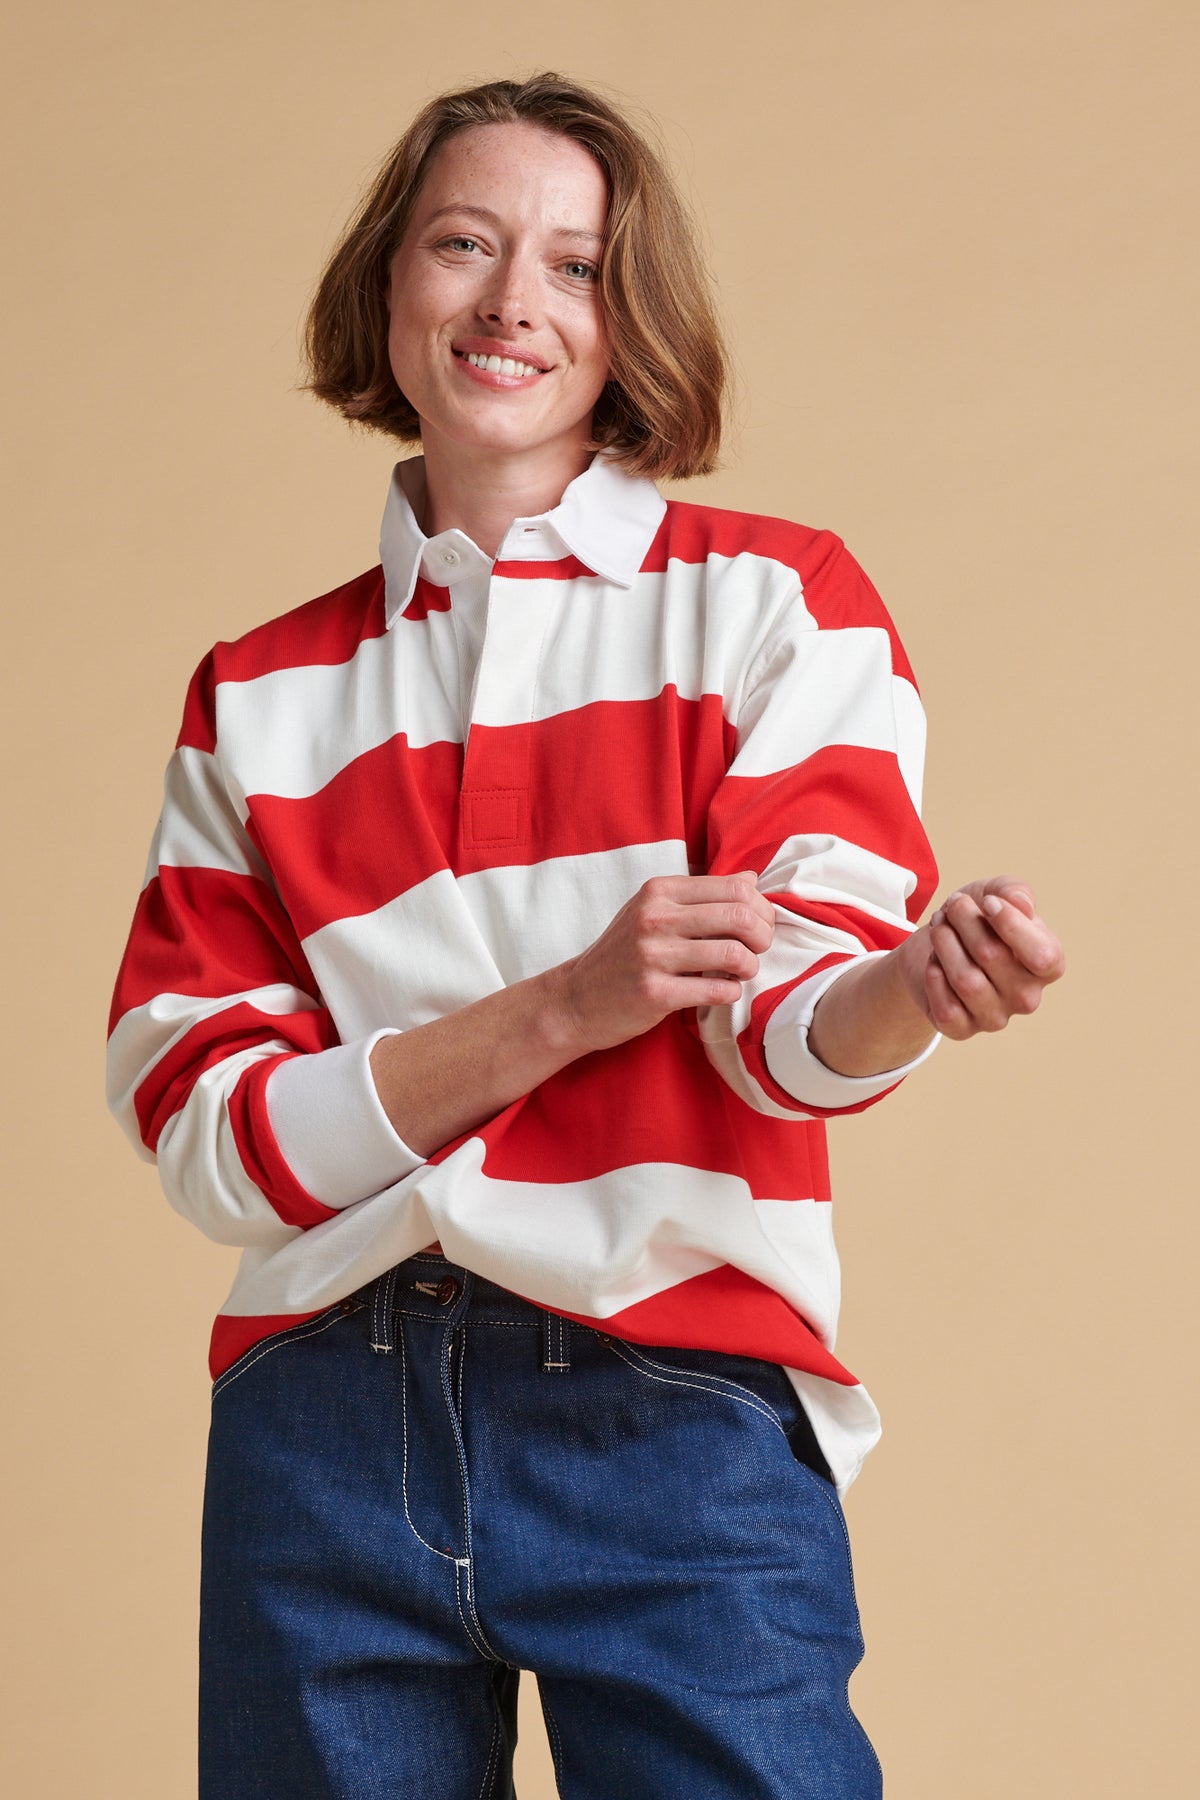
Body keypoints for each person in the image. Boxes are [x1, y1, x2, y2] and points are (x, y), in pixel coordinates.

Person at [105, 70, 1064, 1800]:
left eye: (575, 263)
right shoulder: (254, 694)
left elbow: (781, 1026)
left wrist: (906, 994)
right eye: (464, 243)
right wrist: (558, 1010)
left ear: (634, 319)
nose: (511, 302)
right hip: (326, 1416)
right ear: (388, 288)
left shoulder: (772, 603)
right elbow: (212, 1144)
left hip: (675, 1400)